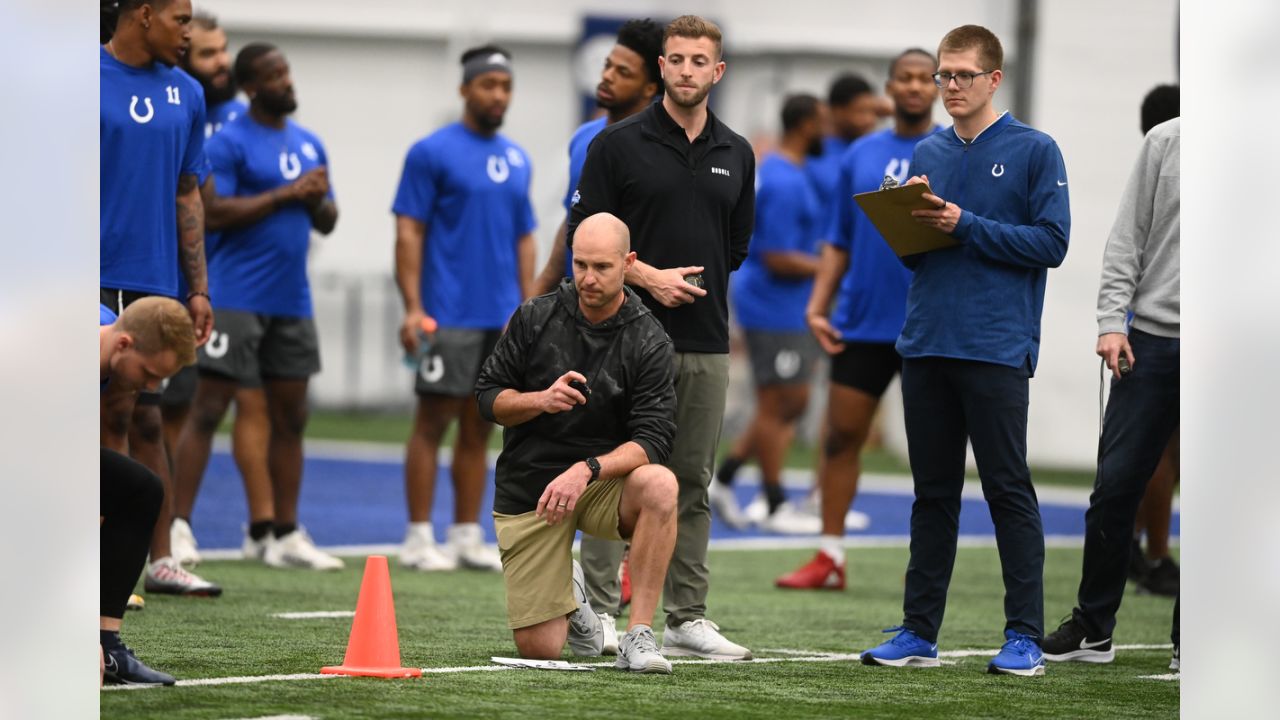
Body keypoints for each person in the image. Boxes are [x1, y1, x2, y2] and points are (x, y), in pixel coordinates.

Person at [859, 25, 1069, 677]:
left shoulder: (1036, 150)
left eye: (960, 76)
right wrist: (909, 227)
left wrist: (963, 224)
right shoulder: (929, 148)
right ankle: (919, 631)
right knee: (933, 494)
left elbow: (1052, 244)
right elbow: (924, 257)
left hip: (996, 346)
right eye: (944, 76)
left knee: (1008, 490)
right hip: (925, 341)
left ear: (993, 80)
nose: (947, 87)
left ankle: (1024, 637)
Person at [567, 15, 755, 661]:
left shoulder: (738, 152)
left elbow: (736, 248)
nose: (685, 70)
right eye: (675, 59)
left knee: (692, 480)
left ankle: (687, 617)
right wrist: (646, 276)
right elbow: (583, 235)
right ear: (663, 68)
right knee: (613, 479)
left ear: (716, 71)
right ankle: (593, 612)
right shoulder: (616, 145)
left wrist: (687, 289)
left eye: (698, 61)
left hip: (704, 342)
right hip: (621, 340)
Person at [476, 213, 678, 673]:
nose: (587, 278)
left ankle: (640, 635)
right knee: (541, 649)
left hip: (600, 482)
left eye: (602, 267)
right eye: (580, 264)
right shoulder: (534, 316)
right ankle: (575, 600)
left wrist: (586, 468)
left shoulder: (649, 337)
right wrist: (540, 400)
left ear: (628, 264)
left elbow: (654, 439)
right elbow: (487, 398)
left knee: (661, 484)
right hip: (531, 486)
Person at [170, 43, 342, 571]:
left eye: (287, 71)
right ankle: (178, 528)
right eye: (273, 75)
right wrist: (288, 193)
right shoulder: (229, 141)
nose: (286, 81)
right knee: (208, 409)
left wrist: (313, 198)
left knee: (292, 416)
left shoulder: (310, 142)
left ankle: (283, 533)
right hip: (238, 297)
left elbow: (328, 219)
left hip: (292, 298)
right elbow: (214, 211)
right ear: (250, 87)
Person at [774, 49, 941, 589]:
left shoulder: (954, 150)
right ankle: (830, 557)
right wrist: (818, 303)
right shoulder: (860, 154)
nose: (914, 87)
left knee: (931, 453)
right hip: (863, 322)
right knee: (841, 437)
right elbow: (837, 241)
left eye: (924, 78)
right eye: (904, 78)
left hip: (930, 324)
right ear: (887, 90)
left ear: (937, 86)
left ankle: (930, 569)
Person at [529, 17, 665, 653]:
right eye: (605, 65)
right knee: (550, 447)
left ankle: (631, 609)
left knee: (635, 466)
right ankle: (579, 598)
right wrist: (535, 298)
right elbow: (573, 226)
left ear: (650, 84)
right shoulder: (587, 136)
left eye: (620, 70)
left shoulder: (665, 145)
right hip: (572, 322)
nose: (605, 77)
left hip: (638, 327)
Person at [1042, 117, 1180, 671]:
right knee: (1115, 487)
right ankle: (1093, 629)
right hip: (1150, 339)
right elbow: (1128, 236)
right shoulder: (1167, 140)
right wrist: (1110, 321)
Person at [393, 45, 537, 572]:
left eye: (505, 86)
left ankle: (463, 534)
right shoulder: (430, 152)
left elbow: (525, 238)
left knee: (482, 426)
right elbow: (408, 230)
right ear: (465, 89)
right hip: (446, 313)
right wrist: (413, 306)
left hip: (499, 319)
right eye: (488, 85)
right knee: (432, 420)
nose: (498, 95)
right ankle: (416, 536)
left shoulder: (518, 158)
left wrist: (526, 307)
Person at [100, 0, 219, 597]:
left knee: (146, 414)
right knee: (100, 413)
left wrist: (196, 286)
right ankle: (92, 558)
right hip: (88, 275)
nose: (189, 31)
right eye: (180, 18)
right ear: (143, 14)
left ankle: (160, 559)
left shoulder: (188, 94)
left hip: (157, 279)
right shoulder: (77, 81)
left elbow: (188, 192)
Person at [168, 9, 271, 568]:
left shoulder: (240, 117)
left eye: (223, 50)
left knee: (253, 403)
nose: (220, 62)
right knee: (179, 406)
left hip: (231, 286)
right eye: (208, 52)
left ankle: (267, 526)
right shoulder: (176, 103)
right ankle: (171, 526)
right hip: (178, 278)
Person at [710, 93, 826, 534]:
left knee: (787, 401)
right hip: (772, 304)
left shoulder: (789, 172)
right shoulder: (783, 179)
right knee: (782, 401)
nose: (827, 132)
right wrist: (831, 266)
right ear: (805, 125)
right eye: (822, 122)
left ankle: (727, 477)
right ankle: (775, 502)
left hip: (786, 305)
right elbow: (776, 255)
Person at [100, 297, 198, 685]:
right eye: (150, 372)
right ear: (124, 344)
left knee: (140, 489)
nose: (151, 386)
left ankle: (106, 644)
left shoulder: (107, 327)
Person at [1126, 84, 1180, 598]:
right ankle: (1154, 554)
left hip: (1142, 323)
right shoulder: (1167, 155)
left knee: (1145, 450)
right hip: (1159, 329)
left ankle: (1135, 547)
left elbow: (1127, 250)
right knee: (1163, 449)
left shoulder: (1154, 158)